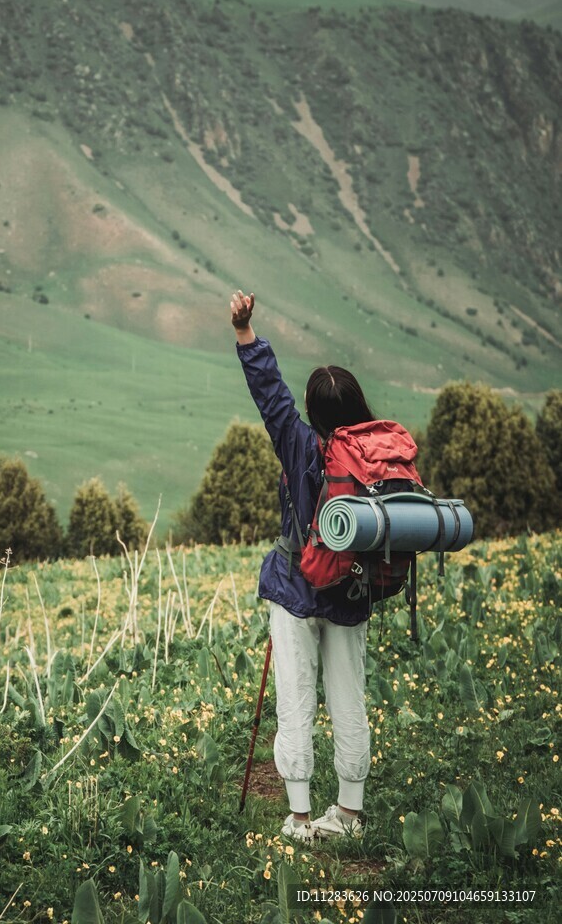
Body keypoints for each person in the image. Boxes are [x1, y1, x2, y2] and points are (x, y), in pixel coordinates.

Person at [230, 288, 373, 844]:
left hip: (296, 587)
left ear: (312, 413)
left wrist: (245, 332)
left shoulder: (299, 443)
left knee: (295, 698)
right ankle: (351, 814)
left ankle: (297, 817)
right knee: (348, 696)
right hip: (353, 590)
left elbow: (270, 396)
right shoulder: (374, 454)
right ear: (358, 408)